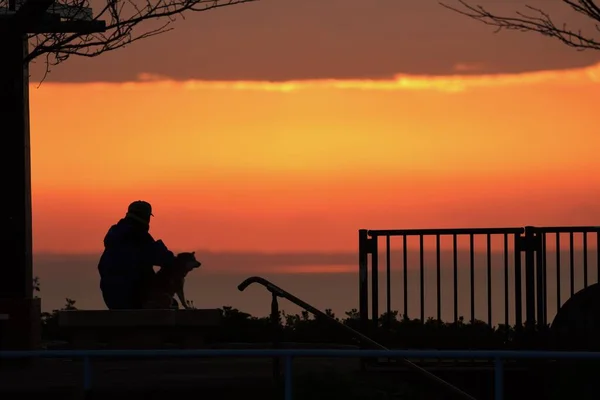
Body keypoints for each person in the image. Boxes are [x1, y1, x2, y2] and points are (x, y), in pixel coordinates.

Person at [98, 200, 177, 309]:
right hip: (134, 297)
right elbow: (164, 258)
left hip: (112, 299)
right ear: (147, 218)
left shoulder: (114, 236)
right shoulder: (139, 236)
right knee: (170, 303)